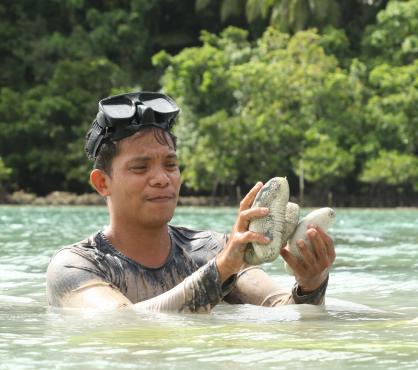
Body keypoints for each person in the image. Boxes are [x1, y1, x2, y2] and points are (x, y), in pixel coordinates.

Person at [46, 91, 335, 312]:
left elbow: (282, 310)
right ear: (102, 183)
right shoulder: (75, 266)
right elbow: (124, 324)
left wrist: (310, 283)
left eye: (170, 165)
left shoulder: (212, 250)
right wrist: (222, 269)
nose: (161, 178)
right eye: (140, 167)